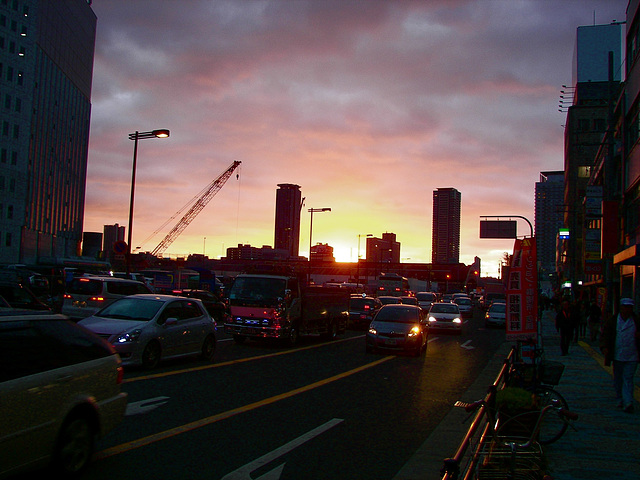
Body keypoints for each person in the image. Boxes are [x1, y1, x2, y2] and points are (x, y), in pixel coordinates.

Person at [600, 298, 640, 413]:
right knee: (618, 378)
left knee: (628, 378)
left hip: (632, 355)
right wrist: (604, 347)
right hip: (617, 354)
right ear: (621, 308)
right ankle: (620, 397)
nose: (627, 310)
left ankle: (628, 402)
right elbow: (605, 335)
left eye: (629, 308)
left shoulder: (636, 321)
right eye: (625, 307)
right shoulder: (613, 321)